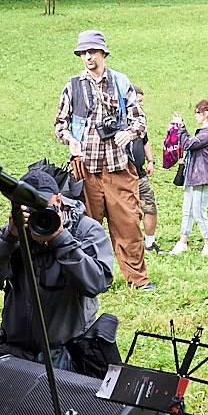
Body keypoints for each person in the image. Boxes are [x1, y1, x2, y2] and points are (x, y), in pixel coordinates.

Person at [0, 164, 119, 375]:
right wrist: (9, 237)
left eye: (44, 206)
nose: (38, 214)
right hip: (17, 353)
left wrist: (60, 240)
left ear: (59, 200)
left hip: (67, 355)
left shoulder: (85, 230)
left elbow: (97, 282)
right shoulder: (15, 233)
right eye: (30, 208)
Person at [53, 29, 152, 289]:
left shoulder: (120, 82)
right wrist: (70, 140)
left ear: (103, 53)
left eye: (92, 52)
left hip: (119, 166)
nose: (88, 57)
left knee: (129, 225)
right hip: (85, 168)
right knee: (85, 228)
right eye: (83, 53)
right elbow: (59, 124)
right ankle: (89, 280)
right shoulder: (73, 86)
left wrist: (128, 134)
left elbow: (140, 120)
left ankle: (139, 280)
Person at [170, 99, 208, 256]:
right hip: (194, 175)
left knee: (199, 211)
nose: (196, 116)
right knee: (187, 210)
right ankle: (183, 241)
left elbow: (188, 144)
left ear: (205, 114)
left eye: (197, 113)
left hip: (203, 176)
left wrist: (181, 127)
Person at [129, 85, 159, 253]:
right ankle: (131, 246)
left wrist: (151, 161)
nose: (140, 106)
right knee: (128, 212)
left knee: (150, 207)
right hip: (123, 175)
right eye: (137, 102)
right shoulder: (120, 120)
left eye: (141, 102)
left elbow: (145, 141)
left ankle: (149, 243)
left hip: (140, 174)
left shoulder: (140, 122)